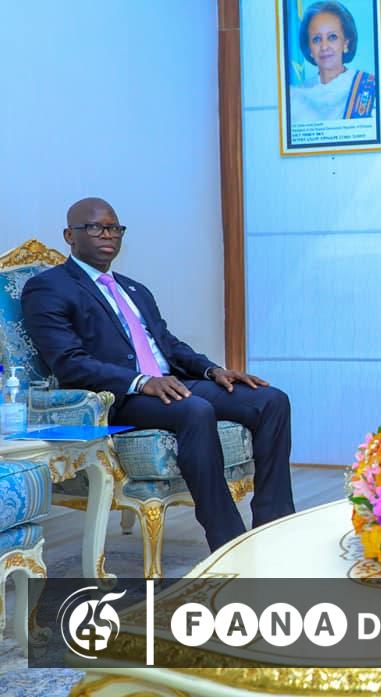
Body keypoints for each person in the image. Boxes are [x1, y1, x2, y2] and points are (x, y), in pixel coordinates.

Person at [22, 197, 296, 552]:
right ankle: (228, 542)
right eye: (95, 227)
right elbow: (68, 361)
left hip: (169, 384)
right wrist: (140, 382)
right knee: (195, 409)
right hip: (117, 396)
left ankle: (274, 527)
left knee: (271, 400)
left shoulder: (133, 289)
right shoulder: (48, 287)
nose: (108, 234)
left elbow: (168, 345)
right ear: (69, 235)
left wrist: (213, 370)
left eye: (114, 228)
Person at [289, 1, 377, 122]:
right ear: (309, 49)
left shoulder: (369, 88)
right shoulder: (295, 96)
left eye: (332, 37)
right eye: (316, 39)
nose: (324, 47)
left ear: (346, 43)